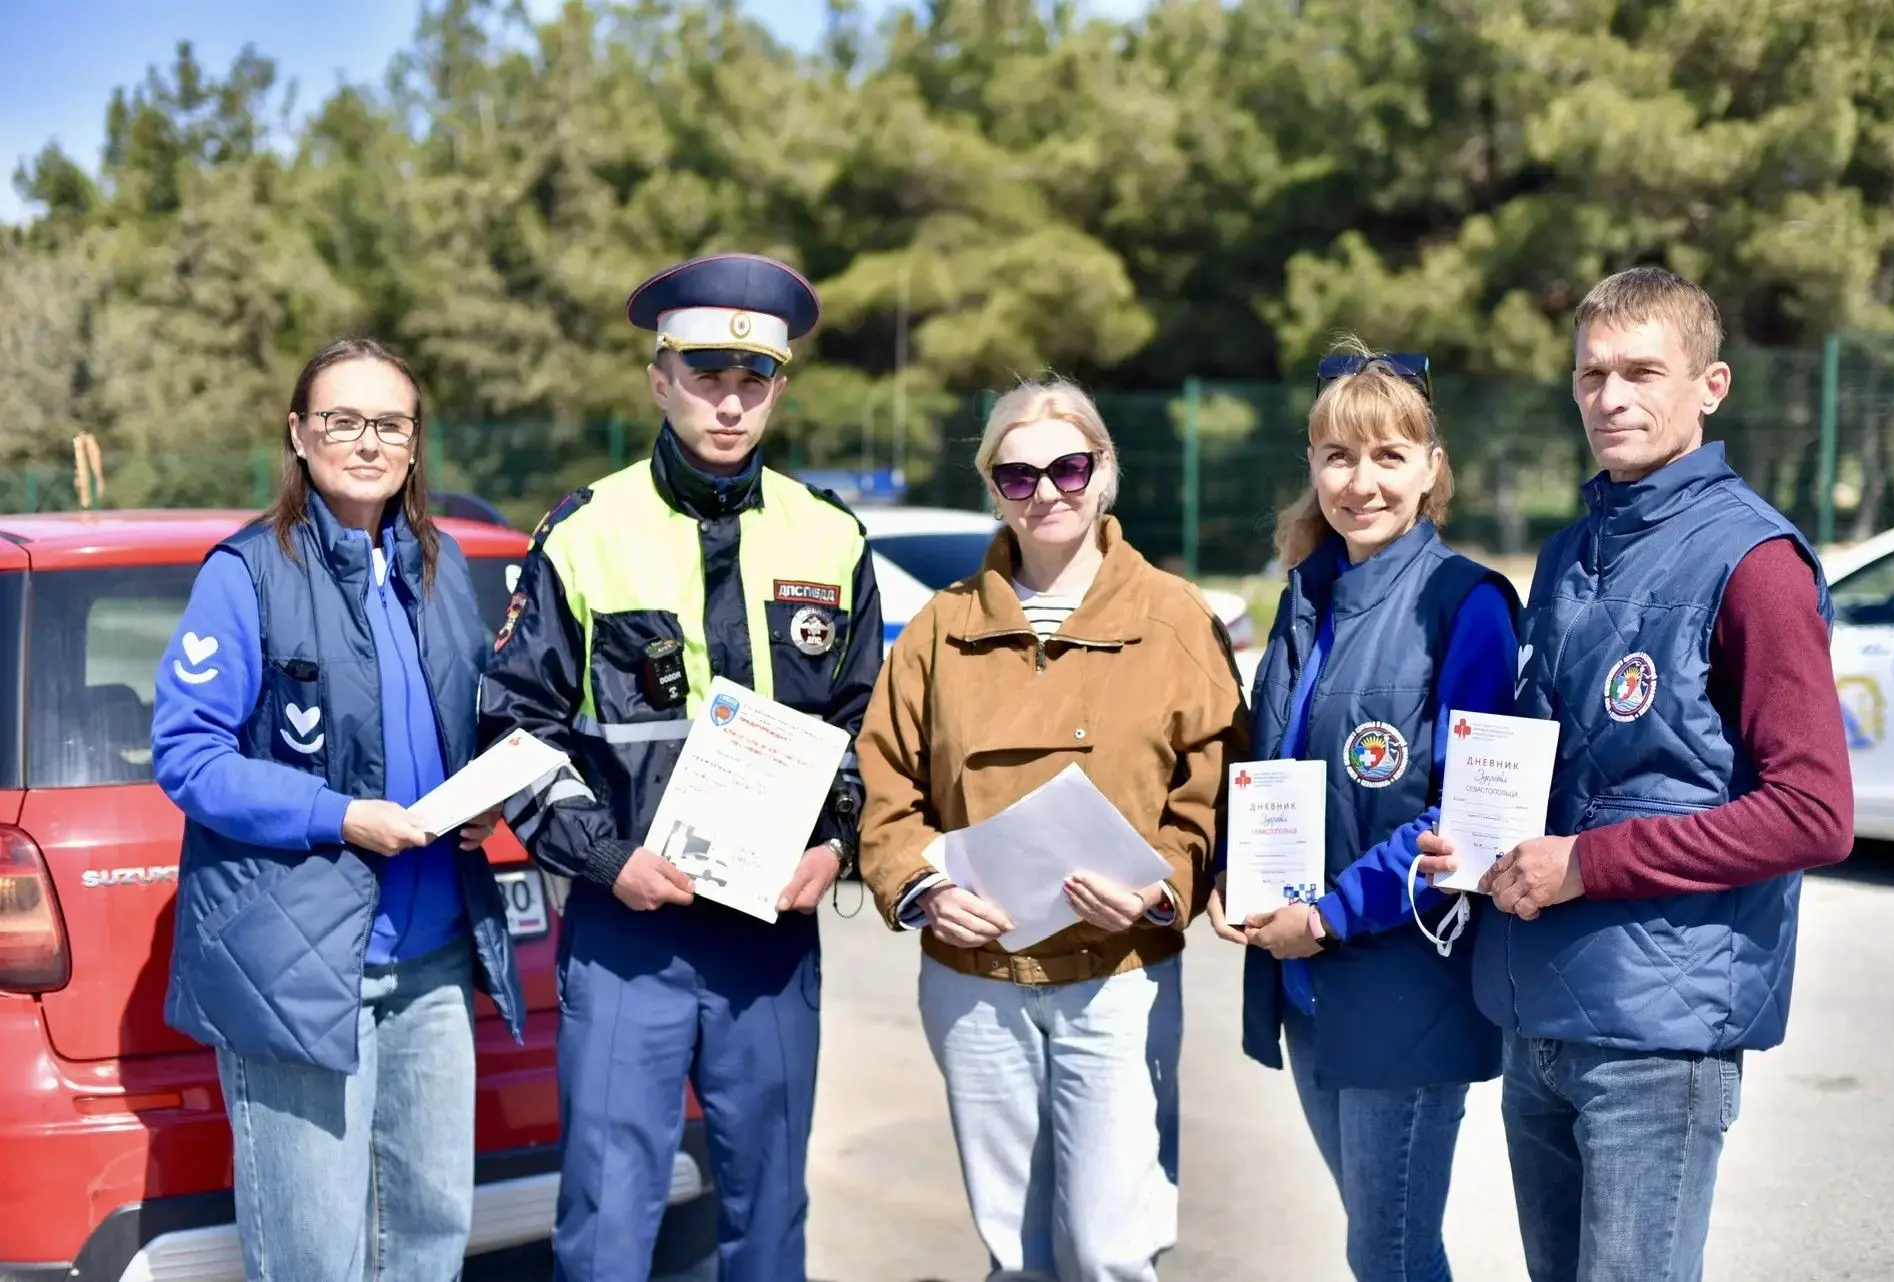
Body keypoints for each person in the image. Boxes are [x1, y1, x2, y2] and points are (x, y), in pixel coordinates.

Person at [1419, 265, 1855, 1282]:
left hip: (1657, 1037)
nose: (1611, 398)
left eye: (1641, 372)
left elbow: (1813, 814)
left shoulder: (1757, 563)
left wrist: (1587, 863)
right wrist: (1477, 840)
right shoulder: (1571, 551)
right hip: (1536, 1015)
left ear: (1712, 385)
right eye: (1590, 374)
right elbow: (1556, 767)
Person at [476, 252, 882, 1282]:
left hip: (770, 942)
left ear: (780, 388)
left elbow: (864, 722)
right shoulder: (583, 534)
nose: (731, 402)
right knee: (608, 1222)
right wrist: (608, 860)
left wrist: (836, 846)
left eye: (755, 381)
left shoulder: (832, 536)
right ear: (659, 378)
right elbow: (514, 731)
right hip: (629, 936)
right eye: (706, 374)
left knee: (769, 1219)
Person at [857, 377, 1250, 1282]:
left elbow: (1214, 790)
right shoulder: (939, 627)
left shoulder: (1176, 620)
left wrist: (1162, 890)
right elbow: (885, 787)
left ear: (1105, 471)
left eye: (1069, 467)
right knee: (1015, 1256)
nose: (1047, 493)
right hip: (973, 986)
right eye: (1019, 474)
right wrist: (922, 889)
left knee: (1111, 1256)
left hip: (1117, 981)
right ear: (992, 485)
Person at [151, 337, 526, 1280]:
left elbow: (464, 726)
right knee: (317, 1256)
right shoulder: (245, 574)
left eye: (389, 423)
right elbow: (189, 755)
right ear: (299, 433)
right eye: (343, 420)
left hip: (436, 963)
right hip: (304, 970)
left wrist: (481, 799)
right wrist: (339, 814)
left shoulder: (437, 572)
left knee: (431, 1241)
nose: (368, 442)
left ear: (414, 443)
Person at [1212, 344, 1516, 1282]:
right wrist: (1232, 867)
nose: (1361, 481)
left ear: (1432, 468)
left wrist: (1331, 914)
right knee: (1379, 1244)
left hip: (1403, 987)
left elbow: (1463, 814)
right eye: (1338, 455)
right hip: (1307, 988)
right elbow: (1269, 769)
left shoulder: (1467, 606)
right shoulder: (1305, 595)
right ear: (1311, 465)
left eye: (1390, 456)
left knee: (1386, 1253)